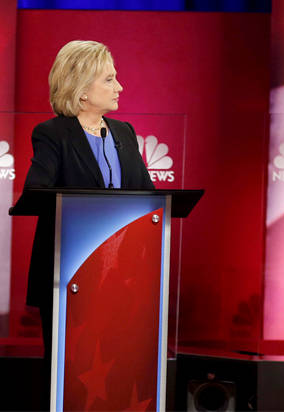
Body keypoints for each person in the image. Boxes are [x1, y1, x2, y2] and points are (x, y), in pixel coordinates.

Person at [21, 40, 154, 403]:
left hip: (124, 279)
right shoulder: (52, 134)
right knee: (72, 375)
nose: (119, 87)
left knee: (118, 376)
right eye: (109, 79)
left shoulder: (124, 132)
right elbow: (38, 190)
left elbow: (148, 194)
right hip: (71, 275)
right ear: (81, 92)